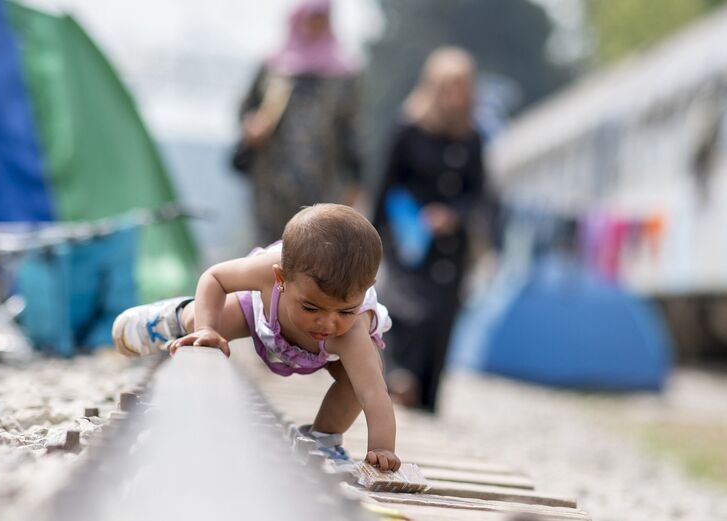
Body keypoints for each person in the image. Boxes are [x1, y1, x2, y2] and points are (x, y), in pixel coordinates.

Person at [112, 204, 400, 471]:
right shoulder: (267, 271)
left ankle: (324, 439)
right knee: (210, 320)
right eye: (311, 307)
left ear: (365, 291)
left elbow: (373, 393)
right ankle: (176, 316)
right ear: (281, 279)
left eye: (346, 310)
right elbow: (215, 278)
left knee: (357, 379)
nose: (328, 322)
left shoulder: (350, 333)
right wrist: (206, 328)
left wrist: (382, 448)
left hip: (326, 353)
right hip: (263, 313)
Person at [373, 47, 487, 413]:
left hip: (449, 246)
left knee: (441, 317)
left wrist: (452, 215)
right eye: (447, 88)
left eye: (461, 88)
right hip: (406, 238)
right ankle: (396, 377)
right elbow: (385, 186)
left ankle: (425, 398)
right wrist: (372, 239)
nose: (454, 97)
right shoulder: (408, 129)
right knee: (407, 310)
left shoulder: (473, 138)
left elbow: (479, 193)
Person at [236, 0, 363, 244]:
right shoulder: (274, 66)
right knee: (267, 248)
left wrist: (355, 179)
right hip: (270, 182)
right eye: (311, 18)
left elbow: (351, 129)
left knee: (313, 247)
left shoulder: (344, 74)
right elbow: (247, 108)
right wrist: (252, 125)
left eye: (321, 18)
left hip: (320, 180)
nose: (314, 25)